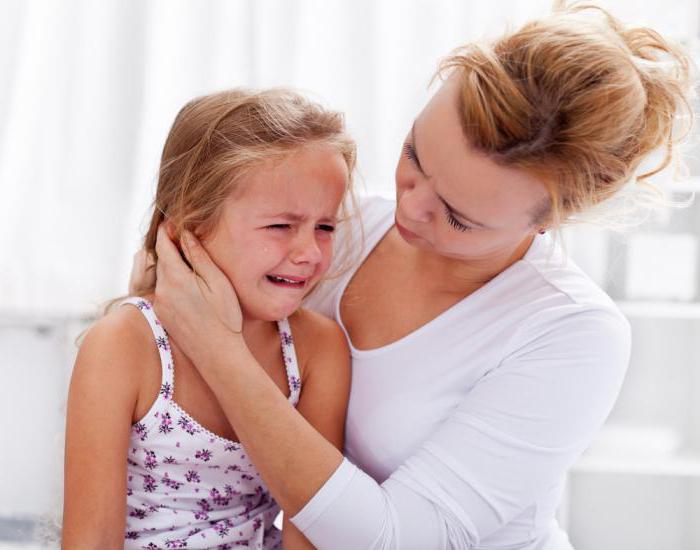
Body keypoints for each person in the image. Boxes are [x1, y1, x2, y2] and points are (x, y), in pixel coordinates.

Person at [131, 4, 693, 549]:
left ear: (552, 219)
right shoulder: (336, 234)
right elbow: (170, 305)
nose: (411, 207)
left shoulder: (573, 334)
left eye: (457, 216)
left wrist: (215, 346)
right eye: (414, 155)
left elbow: (393, 538)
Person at [62, 88, 357, 549]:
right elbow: (92, 540)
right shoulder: (124, 345)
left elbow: (312, 528)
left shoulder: (318, 349)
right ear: (189, 229)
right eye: (280, 226)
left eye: (325, 226)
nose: (309, 254)